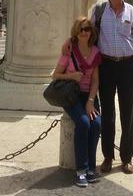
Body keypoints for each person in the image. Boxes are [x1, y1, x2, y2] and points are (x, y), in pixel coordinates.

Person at [92, 0, 133, 175]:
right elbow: (88, 37)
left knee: (128, 113)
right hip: (106, 65)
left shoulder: (132, 12)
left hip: (126, 66)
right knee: (107, 113)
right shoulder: (98, 11)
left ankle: (127, 158)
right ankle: (107, 156)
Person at [53, 16, 101, 187]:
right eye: (80, 29)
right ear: (76, 31)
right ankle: (81, 169)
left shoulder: (95, 51)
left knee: (96, 124)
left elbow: (95, 80)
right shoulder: (69, 50)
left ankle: (91, 168)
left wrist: (90, 101)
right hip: (71, 95)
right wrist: (72, 76)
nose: (84, 32)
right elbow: (55, 75)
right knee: (83, 124)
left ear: (91, 31)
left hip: (88, 95)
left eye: (87, 29)